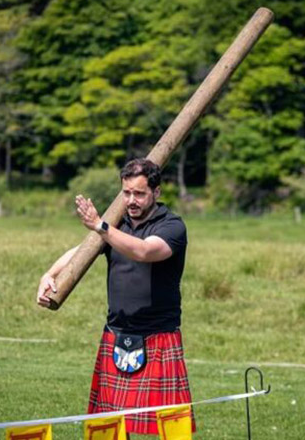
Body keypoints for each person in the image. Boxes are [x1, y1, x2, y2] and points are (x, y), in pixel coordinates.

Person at [37, 158, 195, 437]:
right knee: (106, 428)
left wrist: (102, 227)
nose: (131, 200)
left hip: (159, 337)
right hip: (116, 333)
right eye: (126, 193)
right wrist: (49, 273)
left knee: (172, 429)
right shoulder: (116, 225)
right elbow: (82, 250)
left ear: (156, 193)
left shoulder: (171, 227)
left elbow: (144, 251)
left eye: (139, 193)